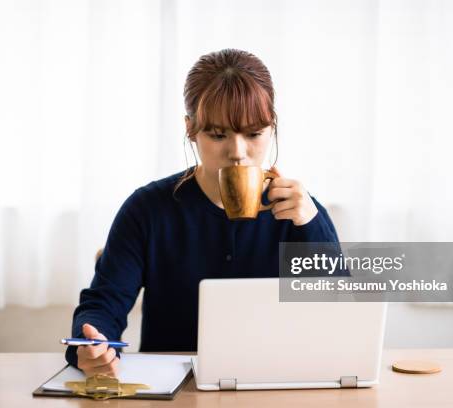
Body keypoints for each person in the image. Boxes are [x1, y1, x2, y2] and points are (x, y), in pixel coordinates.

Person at [66, 49, 343, 377]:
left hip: (274, 383)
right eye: (218, 134)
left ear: (272, 128)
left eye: (254, 133)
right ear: (190, 129)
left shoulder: (298, 212)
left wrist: (312, 226)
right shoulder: (148, 210)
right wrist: (92, 345)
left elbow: (338, 320)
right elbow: (104, 304)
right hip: (176, 386)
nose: (238, 152)